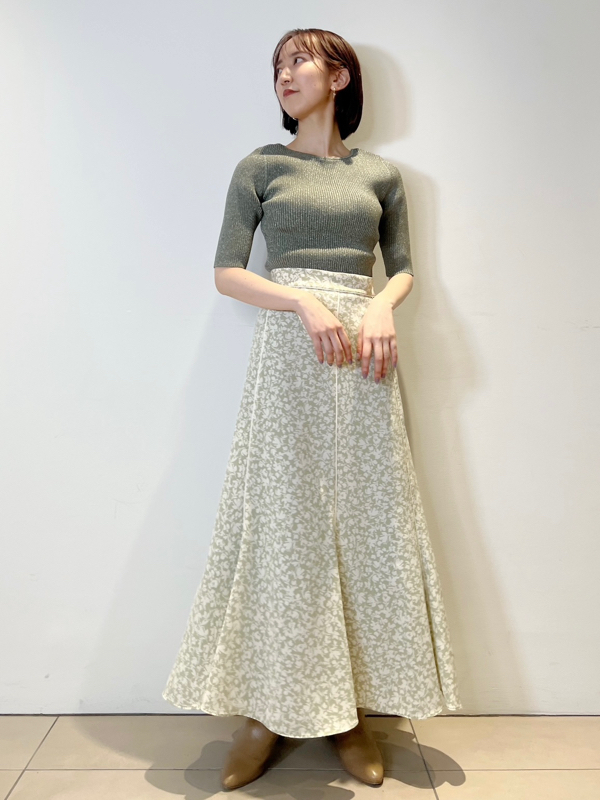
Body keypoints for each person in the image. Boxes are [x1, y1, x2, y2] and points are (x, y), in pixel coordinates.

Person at [162, 27, 462, 790]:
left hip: (367, 357)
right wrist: (300, 300)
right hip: (291, 355)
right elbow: (227, 272)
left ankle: (348, 713)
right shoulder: (260, 168)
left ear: (339, 76)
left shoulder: (381, 175)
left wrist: (382, 304)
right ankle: (265, 713)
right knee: (282, 527)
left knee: (365, 523)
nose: (285, 75)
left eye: (299, 61)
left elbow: (404, 269)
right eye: (278, 67)